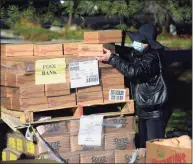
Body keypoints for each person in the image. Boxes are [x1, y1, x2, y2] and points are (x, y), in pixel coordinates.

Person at [97, 24, 172, 148]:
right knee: (144, 146)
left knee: (155, 147)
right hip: (145, 109)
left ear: (146, 43)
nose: (135, 44)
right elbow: (128, 52)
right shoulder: (140, 53)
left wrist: (112, 58)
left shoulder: (152, 57)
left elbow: (134, 71)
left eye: (138, 41)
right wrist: (110, 48)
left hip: (155, 111)